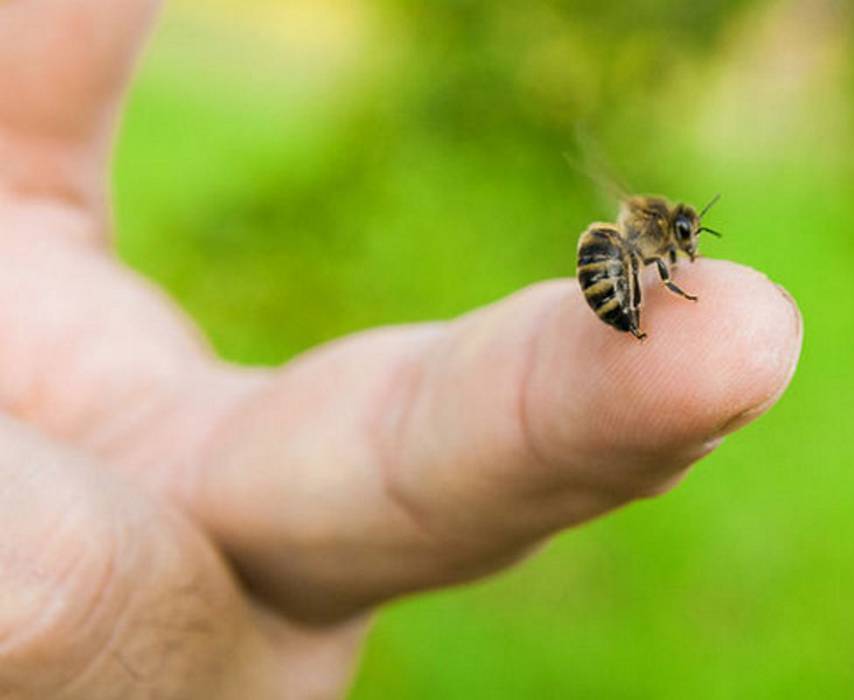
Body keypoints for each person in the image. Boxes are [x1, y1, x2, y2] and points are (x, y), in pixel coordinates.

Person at [0, 1, 801, 697]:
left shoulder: (650, 236)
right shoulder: (645, 237)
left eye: (685, 241)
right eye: (685, 239)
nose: (689, 246)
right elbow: (636, 250)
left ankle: (629, 318)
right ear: (669, 230)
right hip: (611, 267)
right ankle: (627, 316)